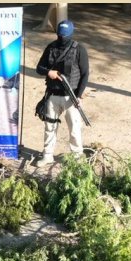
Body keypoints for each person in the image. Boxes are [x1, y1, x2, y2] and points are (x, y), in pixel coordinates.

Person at [34, 19, 90, 167]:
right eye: (60, 35)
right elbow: (39, 68)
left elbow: (85, 74)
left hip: (70, 97)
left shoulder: (79, 49)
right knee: (49, 127)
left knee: (74, 128)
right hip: (52, 95)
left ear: (71, 34)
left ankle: (77, 157)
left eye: (64, 35)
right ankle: (47, 155)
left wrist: (78, 96)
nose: (62, 38)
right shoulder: (51, 47)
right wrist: (49, 72)